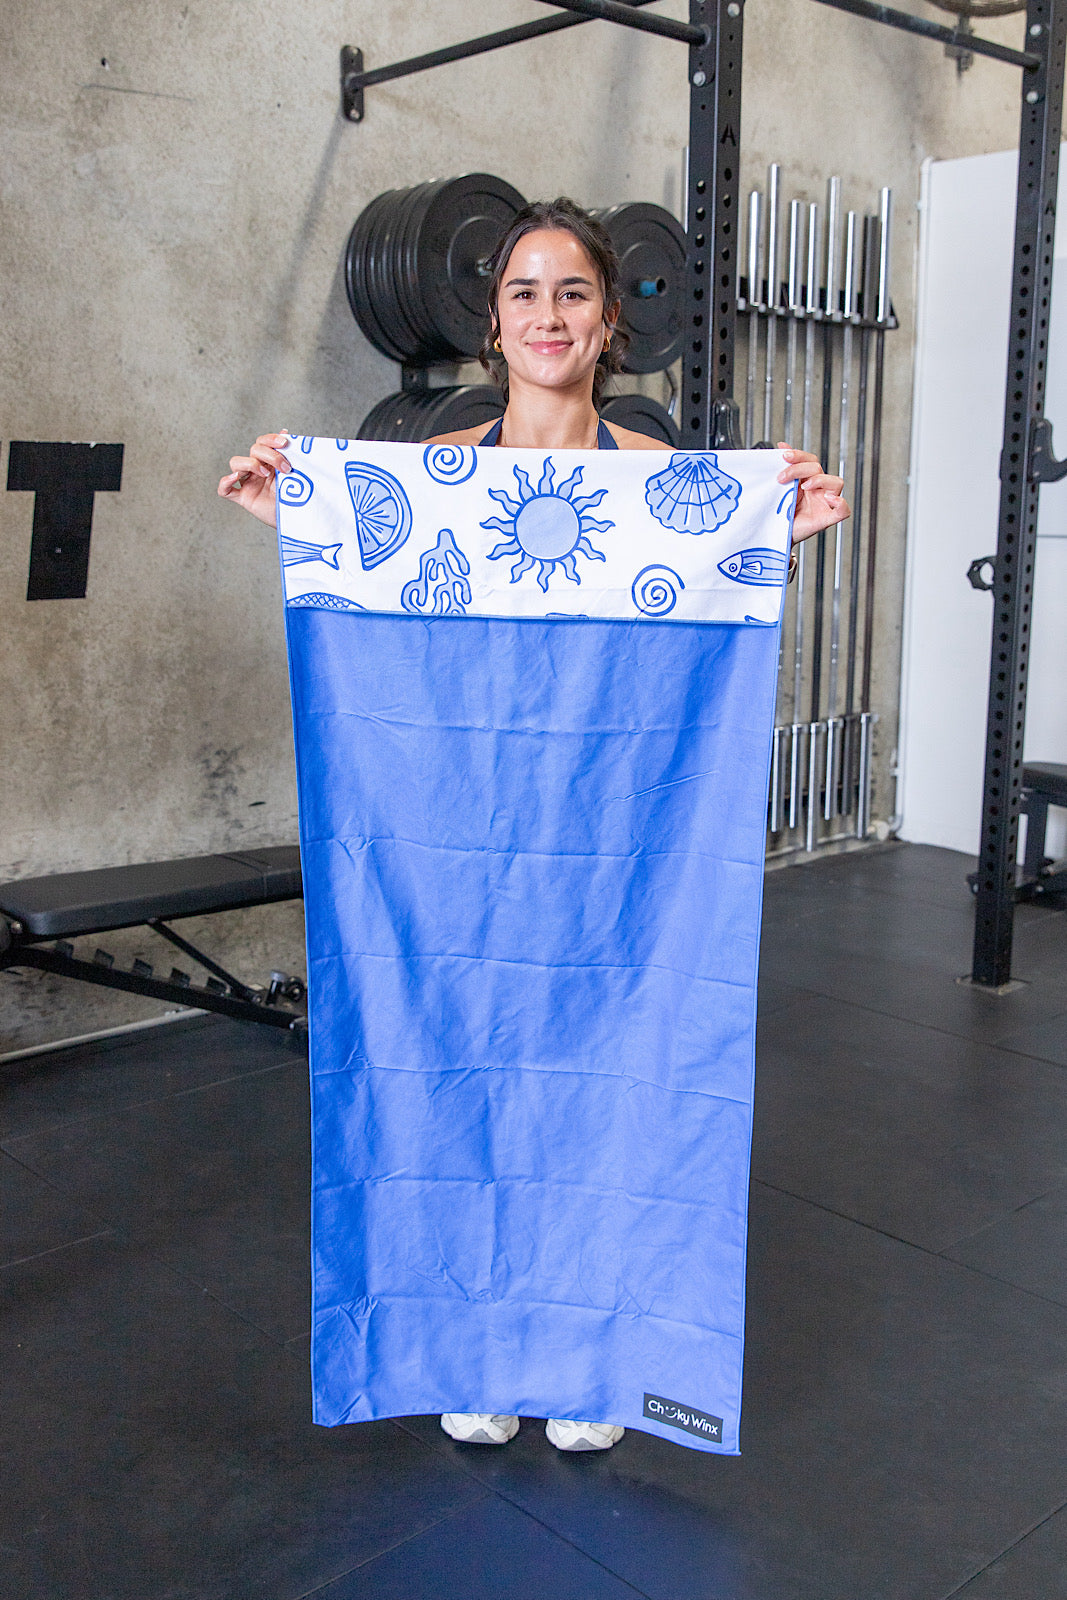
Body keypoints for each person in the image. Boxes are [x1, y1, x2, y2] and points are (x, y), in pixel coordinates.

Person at [219, 197, 849, 1454]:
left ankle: (589, 1357)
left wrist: (771, 533)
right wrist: (294, 514)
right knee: (461, 1068)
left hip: (618, 849)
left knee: (609, 1076)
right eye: (522, 292)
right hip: (459, 850)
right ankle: (470, 1343)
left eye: (571, 292)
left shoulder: (670, 493)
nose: (546, 314)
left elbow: (704, 625)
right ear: (492, 323)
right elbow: (369, 582)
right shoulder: (432, 485)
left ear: (609, 321)